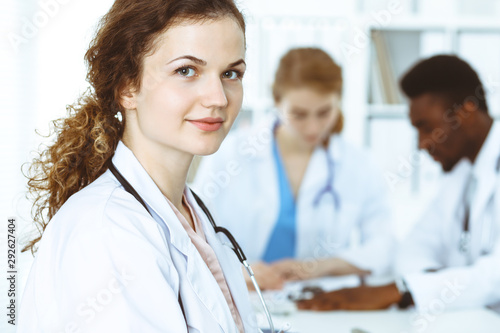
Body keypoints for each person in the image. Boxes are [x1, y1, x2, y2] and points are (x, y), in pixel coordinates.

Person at [18, 0, 257, 331]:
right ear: (127, 87)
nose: (218, 98)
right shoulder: (105, 230)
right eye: (186, 70)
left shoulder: (189, 212)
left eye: (231, 73)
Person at [297, 54, 500, 311]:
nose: (422, 143)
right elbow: (412, 249)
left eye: (426, 127)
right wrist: (430, 284)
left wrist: (407, 291)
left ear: (466, 113)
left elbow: (495, 276)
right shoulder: (460, 175)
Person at [192, 47, 395, 291]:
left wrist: (323, 266)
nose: (313, 127)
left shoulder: (358, 164)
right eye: (299, 114)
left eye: (324, 113)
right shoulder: (230, 154)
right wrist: (237, 272)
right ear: (277, 102)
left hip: (313, 301)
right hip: (242, 296)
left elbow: (384, 246)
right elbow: (194, 235)